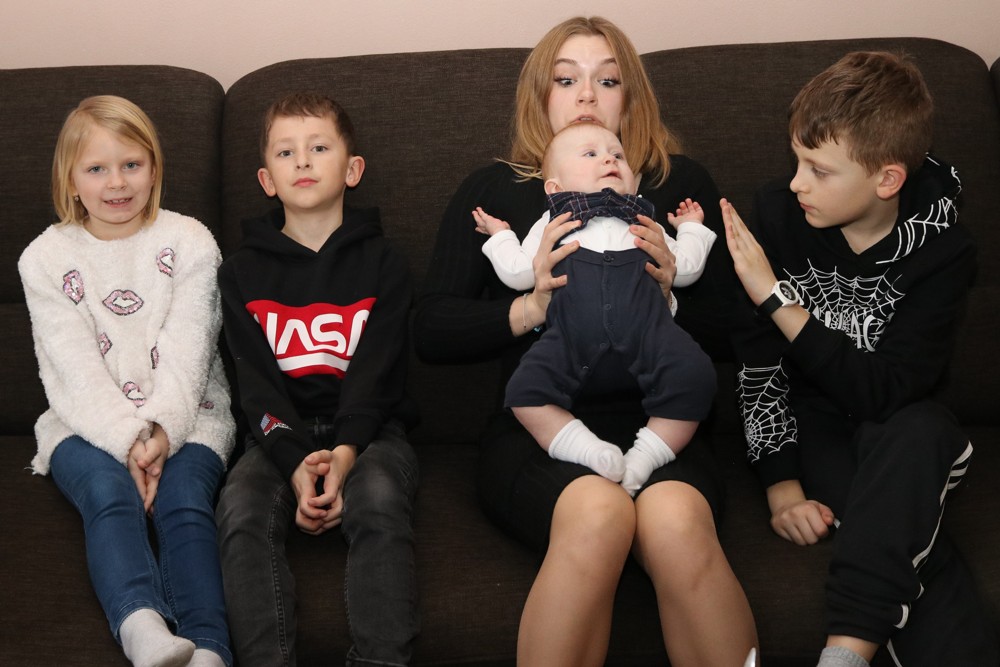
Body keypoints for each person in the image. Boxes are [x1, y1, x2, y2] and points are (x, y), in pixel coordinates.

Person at [414, 16, 758, 667]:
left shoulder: (677, 188)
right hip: (538, 431)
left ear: (631, 98)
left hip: (665, 426)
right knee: (600, 513)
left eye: (608, 80)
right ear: (540, 95)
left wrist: (668, 295)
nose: (587, 97)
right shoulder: (497, 192)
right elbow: (430, 329)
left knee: (676, 523)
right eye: (567, 80)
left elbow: (739, 329)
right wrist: (532, 306)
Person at [723, 51, 999, 667]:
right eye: (797, 160)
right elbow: (757, 363)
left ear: (887, 179)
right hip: (816, 429)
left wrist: (775, 299)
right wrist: (782, 489)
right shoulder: (775, 215)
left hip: (903, 427)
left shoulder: (945, 251)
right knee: (911, 548)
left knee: (920, 430)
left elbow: (887, 391)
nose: (796, 183)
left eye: (818, 170)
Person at [17, 95, 235, 667]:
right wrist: (126, 439)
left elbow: (190, 349)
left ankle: (210, 648)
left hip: (189, 415)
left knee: (184, 502)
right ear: (70, 181)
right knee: (109, 495)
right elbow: (72, 367)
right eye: (96, 168)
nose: (116, 182)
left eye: (131, 164)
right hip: (83, 422)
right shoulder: (44, 258)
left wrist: (160, 431)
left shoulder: (190, 242)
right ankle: (142, 628)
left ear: (154, 169)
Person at [215, 92, 420, 667]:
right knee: (239, 509)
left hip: (374, 433)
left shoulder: (385, 263)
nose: (302, 160)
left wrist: (347, 452)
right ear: (267, 180)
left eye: (319, 148)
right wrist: (293, 459)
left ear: (352, 170)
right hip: (278, 435)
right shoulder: (240, 273)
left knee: (378, 499)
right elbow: (254, 386)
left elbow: (377, 374)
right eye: (286, 152)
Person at [474, 122, 717, 493]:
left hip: (651, 335)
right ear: (554, 188)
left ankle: (645, 457)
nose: (609, 159)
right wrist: (502, 236)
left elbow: (684, 269)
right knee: (524, 392)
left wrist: (691, 230)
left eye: (617, 155)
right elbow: (519, 272)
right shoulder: (552, 223)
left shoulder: (645, 220)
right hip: (570, 337)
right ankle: (589, 451)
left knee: (697, 377)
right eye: (591, 153)